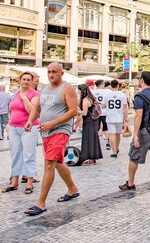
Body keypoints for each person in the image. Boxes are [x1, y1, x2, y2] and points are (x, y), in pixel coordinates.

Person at [24, 63, 80, 216]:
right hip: (46, 131)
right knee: (57, 162)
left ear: (62, 73)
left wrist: (52, 123)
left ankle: (40, 203)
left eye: (54, 72)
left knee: (49, 163)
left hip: (60, 130)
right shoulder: (45, 88)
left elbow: (73, 111)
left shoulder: (67, 88)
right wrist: (30, 120)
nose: (51, 74)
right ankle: (72, 188)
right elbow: (38, 109)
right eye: (49, 72)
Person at [3, 72, 39, 194]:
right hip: (14, 127)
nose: (26, 81)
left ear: (32, 81)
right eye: (24, 79)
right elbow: (12, 109)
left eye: (29, 79)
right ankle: (14, 182)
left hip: (29, 127)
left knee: (29, 154)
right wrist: (9, 123)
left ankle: (29, 182)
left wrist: (24, 98)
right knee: (15, 154)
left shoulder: (35, 94)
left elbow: (32, 110)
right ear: (20, 80)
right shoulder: (16, 93)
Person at [76, 84, 103, 165]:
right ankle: (93, 157)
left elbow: (84, 113)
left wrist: (75, 111)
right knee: (93, 138)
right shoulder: (91, 98)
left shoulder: (85, 100)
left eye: (79, 90)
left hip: (88, 121)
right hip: (94, 120)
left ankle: (89, 157)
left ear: (82, 91)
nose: (78, 92)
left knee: (88, 139)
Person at [102, 80, 128, 157]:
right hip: (119, 117)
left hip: (110, 116)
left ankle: (113, 151)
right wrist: (126, 117)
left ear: (111, 85)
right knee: (118, 134)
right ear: (118, 86)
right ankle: (116, 148)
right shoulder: (122, 95)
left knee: (111, 134)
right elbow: (125, 107)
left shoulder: (107, 95)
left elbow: (103, 106)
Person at [92, 80, 111, 150]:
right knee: (105, 127)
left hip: (96, 111)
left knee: (96, 128)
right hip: (104, 111)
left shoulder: (92, 91)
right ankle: (107, 142)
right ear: (101, 84)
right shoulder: (107, 91)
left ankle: (94, 143)